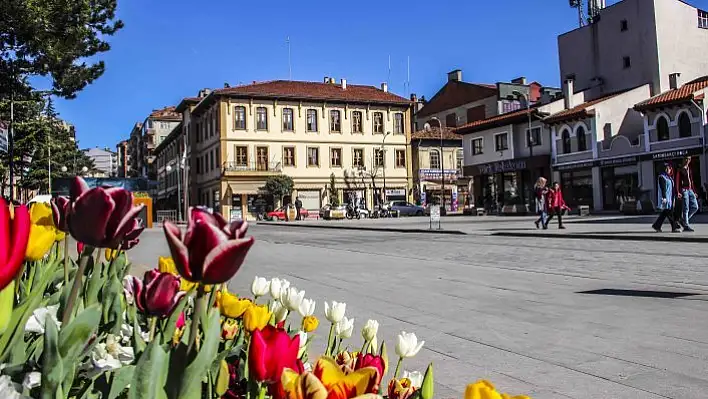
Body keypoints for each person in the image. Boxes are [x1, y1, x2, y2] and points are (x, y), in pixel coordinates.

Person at [652, 162, 680, 233]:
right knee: (669, 213)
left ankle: (657, 226)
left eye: (669, 168)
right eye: (667, 168)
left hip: (670, 198)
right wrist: (664, 198)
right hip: (665, 199)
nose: (669, 169)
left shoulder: (669, 177)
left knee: (665, 213)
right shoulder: (662, 177)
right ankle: (674, 227)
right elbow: (663, 188)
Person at [675, 156, 698, 232]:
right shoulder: (680, 169)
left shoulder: (689, 169)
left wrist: (694, 191)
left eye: (689, 159)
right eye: (686, 159)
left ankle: (683, 220)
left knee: (695, 207)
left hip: (690, 189)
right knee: (686, 208)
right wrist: (678, 191)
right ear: (683, 159)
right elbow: (677, 181)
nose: (687, 160)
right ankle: (686, 226)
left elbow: (691, 181)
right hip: (684, 190)